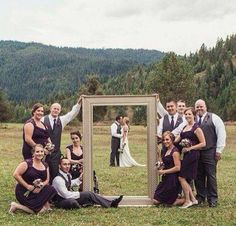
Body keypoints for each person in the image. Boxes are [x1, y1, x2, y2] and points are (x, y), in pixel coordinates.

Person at [52, 158, 123, 209]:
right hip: (60, 201)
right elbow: (66, 195)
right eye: (64, 164)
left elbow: (70, 184)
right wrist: (79, 194)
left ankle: (111, 203)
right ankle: (83, 204)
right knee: (72, 202)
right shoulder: (58, 180)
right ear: (59, 166)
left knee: (89, 194)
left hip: (68, 197)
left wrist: (79, 179)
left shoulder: (68, 175)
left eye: (68, 164)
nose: (67, 166)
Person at [194, 99, 226, 207]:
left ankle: (212, 199)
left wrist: (219, 150)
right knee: (198, 176)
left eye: (201, 106)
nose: (199, 108)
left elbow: (221, 134)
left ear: (205, 107)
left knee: (210, 176)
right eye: (197, 107)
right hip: (196, 152)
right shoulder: (192, 119)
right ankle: (200, 197)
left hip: (210, 151)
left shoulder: (214, 118)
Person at [42, 97, 82, 181]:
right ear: (50, 109)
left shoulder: (62, 120)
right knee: (43, 173)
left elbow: (72, 114)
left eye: (58, 109)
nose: (56, 110)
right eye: (54, 108)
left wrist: (78, 103)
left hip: (55, 154)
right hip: (43, 153)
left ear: (60, 111)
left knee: (54, 174)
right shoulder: (42, 120)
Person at [9, 144, 57, 214]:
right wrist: (28, 186)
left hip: (38, 191)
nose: (40, 153)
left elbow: (47, 180)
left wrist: (41, 186)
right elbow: (16, 175)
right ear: (33, 153)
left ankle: (42, 205)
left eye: (41, 151)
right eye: (37, 152)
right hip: (24, 191)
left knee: (51, 189)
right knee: (41, 211)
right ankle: (16, 205)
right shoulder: (27, 163)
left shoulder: (45, 165)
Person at [176, 107, 206, 208]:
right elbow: (177, 140)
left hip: (192, 155)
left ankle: (188, 200)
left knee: (181, 177)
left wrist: (190, 148)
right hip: (185, 155)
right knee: (184, 178)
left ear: (194, 115)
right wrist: (164, 138)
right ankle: (193, 199)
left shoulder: (196, 128)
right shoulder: (185, 127)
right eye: (186, 114)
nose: (187, 116)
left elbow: (203, 143)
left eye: (189, 114)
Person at [153, 131, 182, 206]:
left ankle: (188, 199)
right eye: (164, 140)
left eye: (167, 139)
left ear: (172, 140)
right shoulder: (165, 150)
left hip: (172, 180)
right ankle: (174, 198)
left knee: (166, 202)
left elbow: (178, 168)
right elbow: (163, 164)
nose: (165, 141)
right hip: (165, 179)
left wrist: (164, 171)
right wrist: (159, 155)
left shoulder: (175, 152)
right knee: (155, 200)